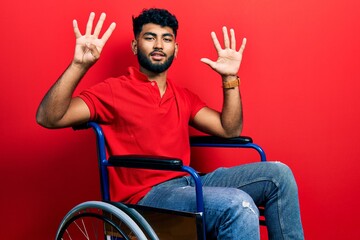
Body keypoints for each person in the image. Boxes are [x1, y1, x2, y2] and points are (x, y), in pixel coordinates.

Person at [36, 8, 304, 239]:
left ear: (175, 48)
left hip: (189, 182)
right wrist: (79, 65)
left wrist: (230, 78)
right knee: (239, 204)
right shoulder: (113, 91)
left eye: (166, 39)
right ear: (135, 45)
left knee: (279, 175)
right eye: (149, 37)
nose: (158, 45)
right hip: (147, 197)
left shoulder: (182, 95)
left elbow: (229, 129)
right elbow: (49, 117)